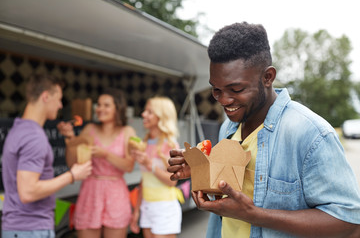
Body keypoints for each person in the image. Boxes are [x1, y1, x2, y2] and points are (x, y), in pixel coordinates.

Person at [167, 22, 360, 238]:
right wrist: (203, 169)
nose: (224, 100)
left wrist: (255, 214)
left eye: (236, 89)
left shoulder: (310, 134)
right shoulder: (227, 129)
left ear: (268, 77)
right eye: (216, 90)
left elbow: (350, 223)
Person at [1, 74, 92, 238]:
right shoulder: (34, 136)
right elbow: (28, 192)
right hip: (31, 229)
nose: (60, 105)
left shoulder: (18, 129)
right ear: (45, 96)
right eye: (58, 99)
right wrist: (72, 175)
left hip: (18, 228)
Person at [57, 88, 136, 238]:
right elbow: (73, 163)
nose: (99, 109)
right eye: (98, 105)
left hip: (116, 193)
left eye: (106, 105)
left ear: (117, 108)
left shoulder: (127, 132)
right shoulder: (89, 129)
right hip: (90, 192)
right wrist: (71, 140)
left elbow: (129, 166)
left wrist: (105, 154)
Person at [129, 97, 183, 238]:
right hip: (146, 206)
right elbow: (144, 181)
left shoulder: (171, 145)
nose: (143, 114)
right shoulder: (145, 143)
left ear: (162, 117)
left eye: (149, 112)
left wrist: (149, 165)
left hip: (165, 208)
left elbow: (172, 182)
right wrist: (136, 211)